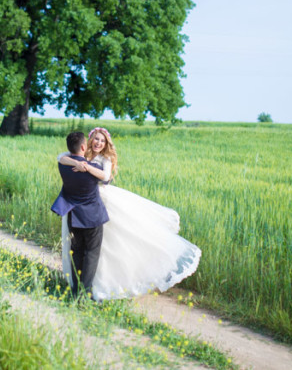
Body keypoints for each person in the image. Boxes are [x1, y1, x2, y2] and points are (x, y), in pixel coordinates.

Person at [58, 127, 201, 301]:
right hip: (85, 202)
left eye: (102, 141)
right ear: (89, 140)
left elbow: (105, 176)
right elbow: (61, 158)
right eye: (96, 139)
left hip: (103, 203)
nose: (98, 143)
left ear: (106, 144)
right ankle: (84, 288)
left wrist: (86, 167)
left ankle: (94, 286)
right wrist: (77, 163)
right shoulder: (81, 155)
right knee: (89, 249)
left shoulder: (106, 159)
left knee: (110, 243)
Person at [50, 131, 109, 298]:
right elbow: (106, 177)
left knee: (76, 252)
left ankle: (75, 290)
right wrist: (87, 166)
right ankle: (84, 293)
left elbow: (61, 156)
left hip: (73, 216)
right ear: (84, 146)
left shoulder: (63, 164)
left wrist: (84, 164)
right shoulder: (95, 168)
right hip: (92, 217)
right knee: (91, 253)